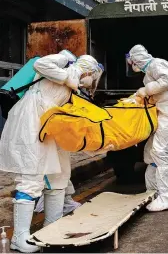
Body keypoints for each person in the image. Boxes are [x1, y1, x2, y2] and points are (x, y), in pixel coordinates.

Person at [0, 53, 102, 253]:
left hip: (48, 129)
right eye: (92, 76)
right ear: (89, 71)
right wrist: (67, 70)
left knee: (59, 176)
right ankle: (19, 238)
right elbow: (40, 63)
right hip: (30, 128)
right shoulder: (63, 70)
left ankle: (52, 227)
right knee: (31, 180)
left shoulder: (71, 83)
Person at [126, 45, 168, 212]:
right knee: (150, 151)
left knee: (160, 152)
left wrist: (145, 91)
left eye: (132, 61)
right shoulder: (148, 72)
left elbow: (167, 81)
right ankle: (153, 190)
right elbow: (156, 94)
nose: (132, 65)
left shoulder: (156, 64)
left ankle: (167, 197)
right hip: (165, 111)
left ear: (136, 60)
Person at [34, 50, 81, 216]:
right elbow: (39, 64)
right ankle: (45, 205)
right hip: (44, 125)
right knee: (51, 170)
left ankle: (63, 202)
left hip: (52, 125)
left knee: (61, 167)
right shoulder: (58, 66)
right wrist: (67, 78)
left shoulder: (53, 78)